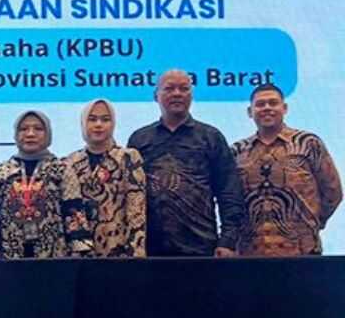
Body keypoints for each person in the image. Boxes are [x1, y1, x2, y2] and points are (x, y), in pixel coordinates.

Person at [127, 69, 245, 257]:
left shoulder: (211, 137)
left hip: (201, 247)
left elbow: (229, 192)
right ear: (156, 96)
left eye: (184, 89)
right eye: (169, 88)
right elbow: (130, 196)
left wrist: (228, 241)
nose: (177, 94)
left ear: (192, 95)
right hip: (149, 250)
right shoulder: (139, 139)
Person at [231, 83, 341, 256]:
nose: (267, 108)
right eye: (260, 104)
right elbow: (230, 199)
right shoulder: (237, 151)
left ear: (284, 108)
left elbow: (332, 191)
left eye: (273, 103)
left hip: (301, 250)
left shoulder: (307, 143)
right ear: (250, 112)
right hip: (250, 251)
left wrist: (311, 224)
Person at [0, 110, 92, 259]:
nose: (30, 134)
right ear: (16, 134)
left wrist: (78, 254)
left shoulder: (61, 169)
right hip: (10, 257)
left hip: (54, 258)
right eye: (23, 129)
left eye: (38, 129)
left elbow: (74, 213)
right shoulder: (2, 172)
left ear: (48, 134)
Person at [63, 99, 147, 257]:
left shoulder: (127, 157)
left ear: (113, 124)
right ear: (83, 123)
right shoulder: (71, 162)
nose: (98, 124)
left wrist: (136, 255)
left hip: (118, 250)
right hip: (80, 254)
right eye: (92, 119)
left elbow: (136, 210)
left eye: (105, 119)